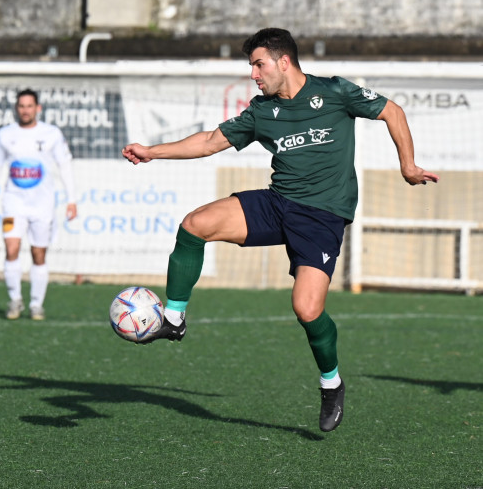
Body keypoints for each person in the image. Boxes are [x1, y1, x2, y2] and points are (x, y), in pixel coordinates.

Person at [122, 28, 438, 432]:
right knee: (195, 224)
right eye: (251, 66)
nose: (253, 74)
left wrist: (407, 166)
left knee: (307, 309)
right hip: (277, 203)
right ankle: (175, 317)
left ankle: (331, 383)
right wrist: (152, 151)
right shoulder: (261, 110)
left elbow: (393, 111)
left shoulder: (335, 91)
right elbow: (207, 143)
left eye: (258, 64)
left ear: (282, 61)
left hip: (322, 216)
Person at [0, 89, 78, 320]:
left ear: (38, 108)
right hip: (13, 203)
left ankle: (36, 304)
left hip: (42, 205)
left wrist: (72, 199)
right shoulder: (5, 135)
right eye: (21, 106)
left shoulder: (51, 134)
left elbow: (65, 165)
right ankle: (15, 300)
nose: (25, 110)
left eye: (29, 106)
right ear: (17, 109)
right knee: (11, 249)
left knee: (38, 254)